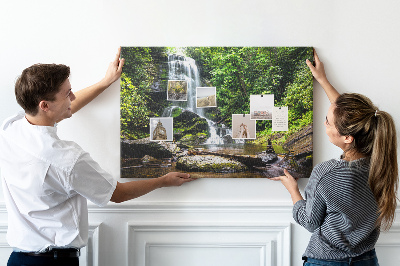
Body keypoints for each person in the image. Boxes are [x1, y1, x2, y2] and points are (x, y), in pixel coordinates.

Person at [0, 47, 194, 266]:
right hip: (52, 261)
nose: (72, 96)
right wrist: (163, 180)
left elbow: (62, 110)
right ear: (44, 105)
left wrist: (105, 82)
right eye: (67, 94)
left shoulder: (10, 129)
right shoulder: (67, 159)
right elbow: (117, 194)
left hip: (17, 259)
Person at [269, 50, 398, 266]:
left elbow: (310, 221)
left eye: (327, 122)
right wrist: (322, 79)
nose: (324, 124)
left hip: (326, 261)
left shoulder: (326, 173)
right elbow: (351, 118)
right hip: (366, 260)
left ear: (347, 137)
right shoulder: (380, 161)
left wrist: (293, 190)